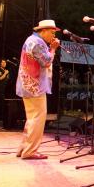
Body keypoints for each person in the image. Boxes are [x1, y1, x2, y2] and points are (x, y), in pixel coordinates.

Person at [15, 19, 60, 160]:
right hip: (34, 86)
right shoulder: (38, 42)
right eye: (52, 33)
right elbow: (46, 62)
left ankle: (24, 148)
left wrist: (50, 48)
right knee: (38, 118)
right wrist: (53, 48)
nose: (53, 36)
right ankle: (30, 151)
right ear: (44, 30)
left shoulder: (31, 40)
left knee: (32, 118)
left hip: (28, 84)